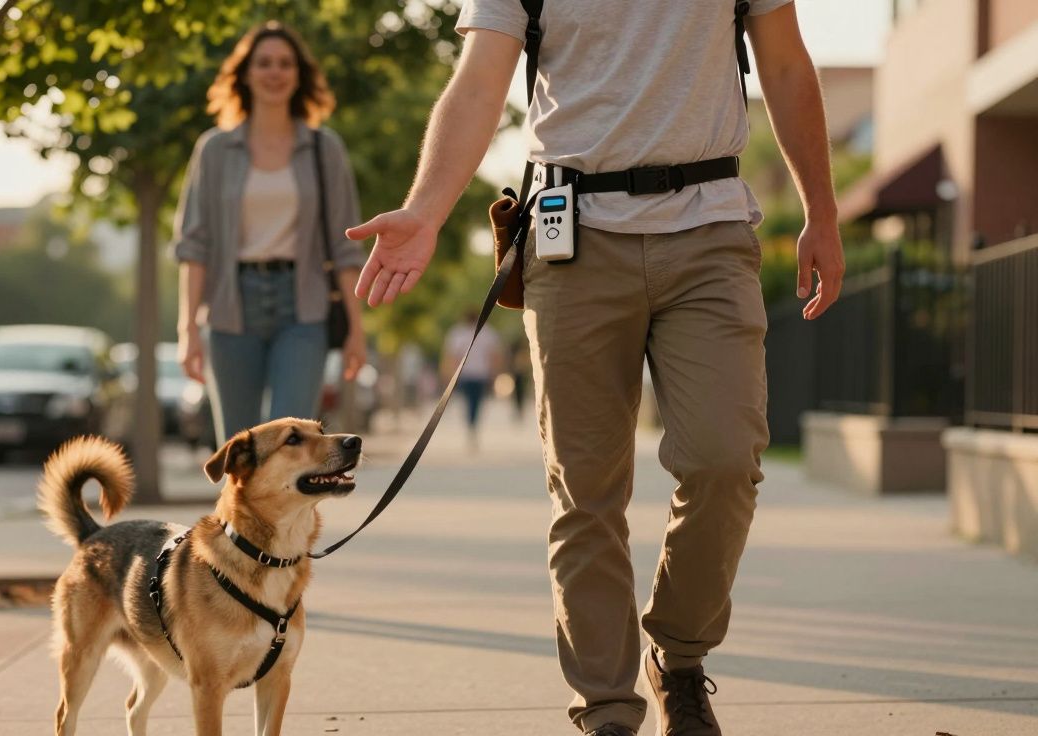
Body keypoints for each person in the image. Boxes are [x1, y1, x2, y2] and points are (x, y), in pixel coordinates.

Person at [346, 2, 844, 735]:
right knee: (586, 491)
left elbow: (787, 64)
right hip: (571, 237)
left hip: (708, 228)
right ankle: (607, 710)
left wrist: (822, 213)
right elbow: (479, 82)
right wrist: (425, 209)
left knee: (723, 459)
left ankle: (678, 657)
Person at [173, 22, 368, 441]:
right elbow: (194, 246)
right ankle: (234, 514)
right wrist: (187, 329)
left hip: (303, 309)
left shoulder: (324, 148)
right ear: (245, 74)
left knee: (291, 444)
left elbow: (345, 245)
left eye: (285, 63)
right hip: (231, 308)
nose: (274, 72)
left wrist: (356, 329)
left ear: (299, 74)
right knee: (239, 449)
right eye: (264, 63)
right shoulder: (215, 150)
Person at [441, 310, 504, 449]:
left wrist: (450, 375)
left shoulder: (457, 333)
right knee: (476, 402)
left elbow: (453, 357)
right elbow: (494, 356)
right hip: (480, 374)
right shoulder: (488, 332)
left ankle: (471, 425)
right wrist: (494, 374)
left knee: (470, 402)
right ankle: (473, 425)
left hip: (467, 374)